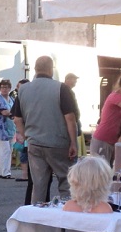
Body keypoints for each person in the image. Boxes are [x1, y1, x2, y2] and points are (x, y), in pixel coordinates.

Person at [11, 56, 77, 204]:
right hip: (58, 143)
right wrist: (73, 142)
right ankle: (67, 215)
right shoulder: (61, 88)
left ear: (35, 69)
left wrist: (26, 136)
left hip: (35, 143)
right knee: (66, 183)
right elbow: (70, 118)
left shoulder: (23, 90)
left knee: (38, 186)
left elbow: (17, 119)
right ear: (51, 69)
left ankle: (37, 220)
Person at [0, 79, 16, 179]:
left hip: (10, 128)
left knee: (9, 150)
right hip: (0, 128)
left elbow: (12, 113)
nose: (4, 89)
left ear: (10, 88)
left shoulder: (11, 99)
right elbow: (3, 112)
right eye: (2, 87)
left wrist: (12, 113)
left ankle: (1, 171)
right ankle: (6, 172)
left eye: (6, 87)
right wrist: (13, 113)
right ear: (0, 88)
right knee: (4, 150)